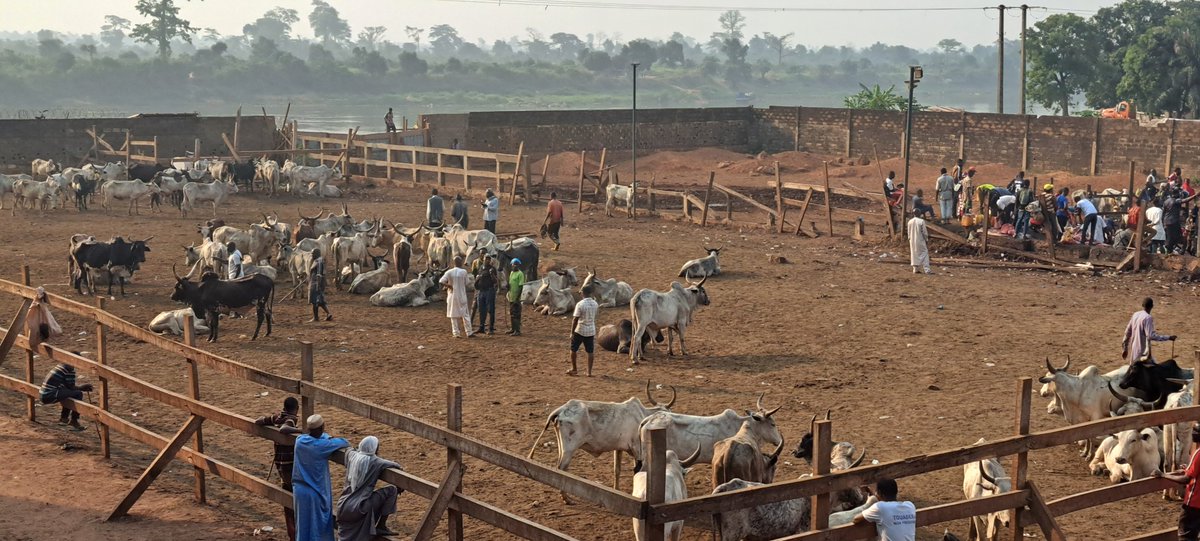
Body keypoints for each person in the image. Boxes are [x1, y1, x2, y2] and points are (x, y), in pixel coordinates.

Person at [293, 414, 349, 541]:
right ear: (322, 427)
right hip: (315, 493)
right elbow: (344, 442)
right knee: (317, 530)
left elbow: (309, 437)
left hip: (299, 492)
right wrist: (328, 437)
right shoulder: (322, 446)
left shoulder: (300, 441)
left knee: (303, 529)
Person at [335, 436, 401, 541]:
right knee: (392, 490)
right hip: (360, 507)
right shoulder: (376, 462)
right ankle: (381, 525)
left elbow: (348, 448)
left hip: (343, 505)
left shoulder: (351, 456)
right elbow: (396, 465)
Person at [255, 397, 302, 541]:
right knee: (295, 503)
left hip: (280, 465)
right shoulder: (291, 419)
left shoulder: (277, 417)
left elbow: (259, 421)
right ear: (296, 408)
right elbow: (285, 429)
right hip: (290, 466)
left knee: (287, 504)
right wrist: (302, 430)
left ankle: (292, 536)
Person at [1154, 425, 1200, 540]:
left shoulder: (1198, 453)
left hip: (1193, 504)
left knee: (1186, 536)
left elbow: (1186, 479)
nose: (1193, 433)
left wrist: (1164, 475)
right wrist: (1187, 469)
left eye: (1196, 431)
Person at [39, 362, 92, 430]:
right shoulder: (69, 369)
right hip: (50, 395)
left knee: (69, 393)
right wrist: (82, 388)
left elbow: (68, 387)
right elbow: (71, 387)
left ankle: (64, 418)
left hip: (44, 394)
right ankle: (74, 420)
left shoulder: (61, 366)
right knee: (78, 394)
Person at [1123, 297, 1175, 364]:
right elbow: (1150, 336)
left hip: (1134, 351)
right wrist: (1168, 337)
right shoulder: (1148, 318)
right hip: (1143, 354)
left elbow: (1127, 332)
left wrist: (1125, 348)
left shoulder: (1135, 314)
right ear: (1152, 306)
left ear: (1142, 305)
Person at [568, 284, 599, 376]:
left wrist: (572, 332)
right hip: (591, 330)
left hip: (580, 329)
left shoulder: (580, 304)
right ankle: (589, 372)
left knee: (573, 349)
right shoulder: (595, 303)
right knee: (590, 351)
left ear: (582, 293)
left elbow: (575, 319)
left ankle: (574, 369)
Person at [439, 255, 474, 338]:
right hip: (462, 295)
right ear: (460, 263)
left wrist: (448, 286)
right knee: (465, 314)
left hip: (452, 295)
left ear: (454, 263)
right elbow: (467, 283)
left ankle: (456, 333)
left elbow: (441, 281)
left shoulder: (449, 272)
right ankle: (469, 332)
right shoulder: (464, 272)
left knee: (453, 315)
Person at [474, 254, 498, 335]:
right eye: (486, 259)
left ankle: (491, 328)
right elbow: (477, 278)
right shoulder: (481, 268)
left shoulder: (492, 269)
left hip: (489, 291)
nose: (487, 260)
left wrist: (492, 274)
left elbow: (495, 281)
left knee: (490, 310)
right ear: (483, 259)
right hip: (481, 291)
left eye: (489, 259)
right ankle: (482, 327)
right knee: (481, 310)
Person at [309, 249, 332, 322]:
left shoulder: (318, 262)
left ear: (316, 254)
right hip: (316, 282)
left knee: (314, 300)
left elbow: (319, 274)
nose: (312, 255)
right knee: (320, 300)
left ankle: (316, 317)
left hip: (316, 283)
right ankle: (329, 313)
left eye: (313, 254)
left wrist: (317, 286)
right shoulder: (319, 260)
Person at [506, 259, 525, 336]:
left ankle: (517, 330)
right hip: (511, 296)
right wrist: (508, 286)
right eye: (514, 265)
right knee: (512, 313)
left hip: (516, 298)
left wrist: (517, 298)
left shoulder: (520, 274)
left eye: (516, 265)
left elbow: (520, 287)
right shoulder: (511, 273)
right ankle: (513, 328)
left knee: (516, 314)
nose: (515, 266)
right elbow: (511, 283)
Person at [1165, 187, 1184, 253]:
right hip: (1174, 221)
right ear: (1176, 194)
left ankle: (1170, 248)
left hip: (1167, 221)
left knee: (1170, 236)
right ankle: (1169, 248)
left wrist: (1163, 222)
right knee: (1176, 236)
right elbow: (1186, 200)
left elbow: (1164, 212)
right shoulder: (1175, 200)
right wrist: (1195, 196)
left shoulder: (1166, 201)